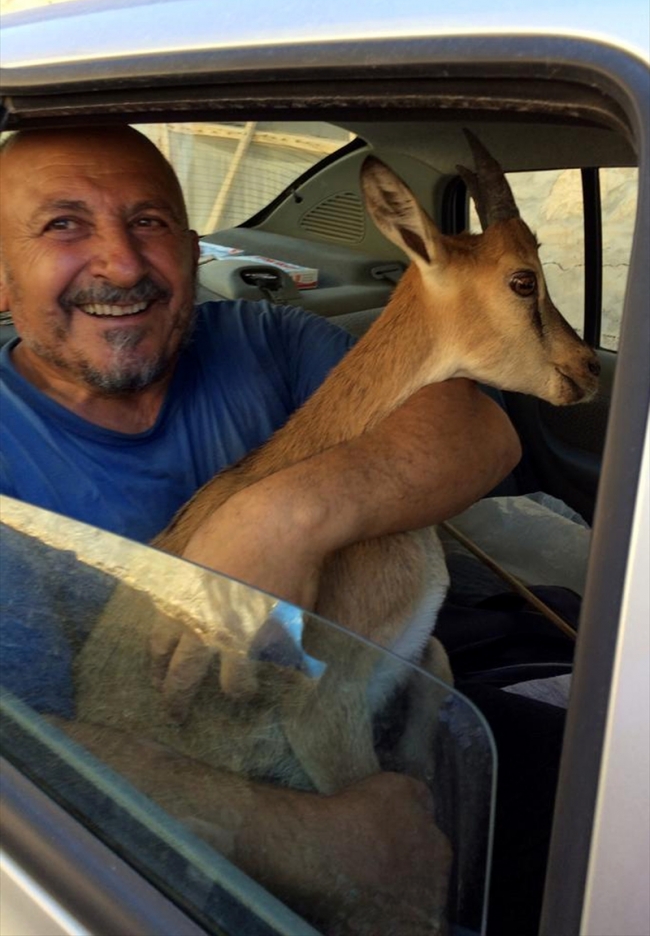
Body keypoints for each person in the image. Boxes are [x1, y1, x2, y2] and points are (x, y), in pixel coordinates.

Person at [0, 125, 544, 934]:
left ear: (190, 250)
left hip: (394, 700)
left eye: (148, 222)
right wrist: (311, 839)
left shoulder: (266, 338)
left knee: (587, 788)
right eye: (64, 225)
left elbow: (482, 434)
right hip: (184, 843)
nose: (120, 262)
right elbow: (35, 765)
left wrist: (280, 517)